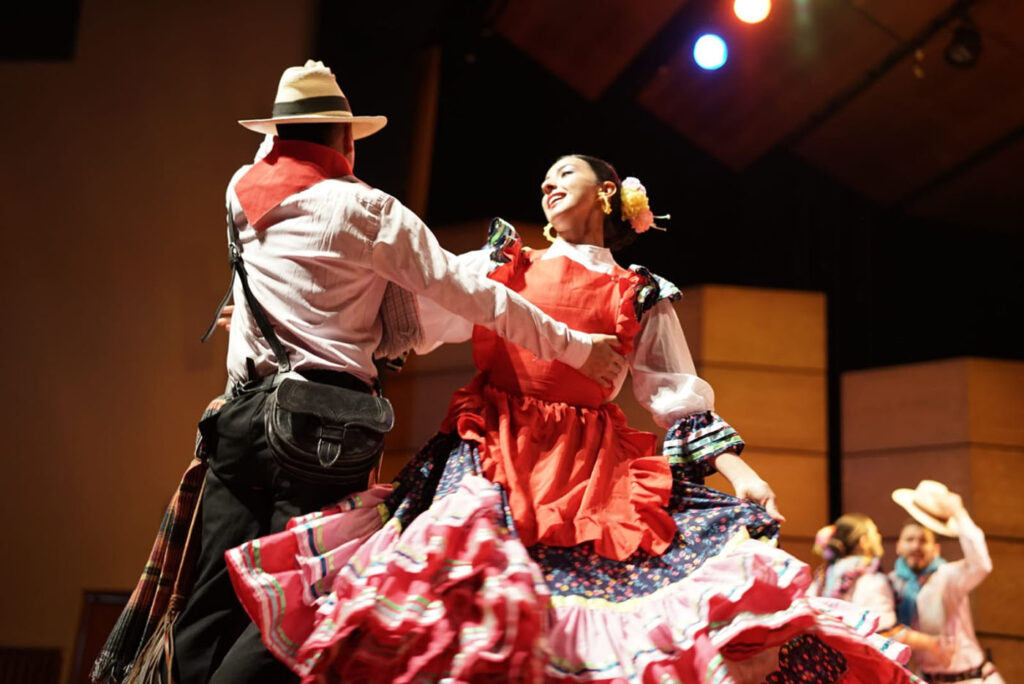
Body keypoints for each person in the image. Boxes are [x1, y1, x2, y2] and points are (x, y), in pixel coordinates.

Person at [224, 154, 916, 682]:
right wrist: (287, 323)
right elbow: (414, 322)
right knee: (466, 597)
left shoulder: (639, 291)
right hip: (491, 452)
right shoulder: (503, 263)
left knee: (573, 626)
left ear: (608, 194)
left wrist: (740, 469)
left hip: (594, 476)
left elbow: (671, 390)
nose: (548, 184)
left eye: (565, 173)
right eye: (546, 177)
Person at [171, 62, 625, 683]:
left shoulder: (239, 191)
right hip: (321, 430)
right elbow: (474, 296)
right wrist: (577, 348)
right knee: (302, 599)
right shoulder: (366, 210)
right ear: (348, 142)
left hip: (242, 418)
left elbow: (275, 167)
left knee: (211, 599)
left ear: (276, 135)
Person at [891, 480, 1003, 682]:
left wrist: (959, 513)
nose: (916, 546)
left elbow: (981, 563)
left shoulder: (948, 576)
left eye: (924, 540)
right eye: (910, 540)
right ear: (898, 546)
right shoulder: (891, 583)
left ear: (936, 550)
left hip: (969, 678)